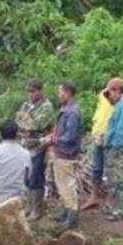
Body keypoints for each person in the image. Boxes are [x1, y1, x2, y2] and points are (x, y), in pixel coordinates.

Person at [16, 79, 56, 218]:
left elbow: (36, 125)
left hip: (39, 145)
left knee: (36, 176)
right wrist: (25, 121)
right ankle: (29, 206)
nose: (30, 94)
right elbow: (18, 120)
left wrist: (25, 121)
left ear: (40, 91)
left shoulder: (46, 107)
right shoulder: (27, 105)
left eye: (32, 91)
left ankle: (37, 209)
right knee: (26, 176)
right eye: (28, 91)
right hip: (25, 144)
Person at [49, 81, 84, 230]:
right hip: (61, 153)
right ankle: (65, 212)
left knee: (68, 185)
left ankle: (72, 217)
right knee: (61, 184)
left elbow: (70, 136)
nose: (59, 95)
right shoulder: (66, 110)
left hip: (66, 154)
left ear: (68, 93)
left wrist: (54, 139)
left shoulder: (72, 113)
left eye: (60, 92)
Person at [102, 77, 123, 220]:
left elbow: (122, 130)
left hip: (120, 149)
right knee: (114, 180)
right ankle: (117, 207)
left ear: (117, 91)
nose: (109, 97)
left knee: (119, 180)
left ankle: (122, 209)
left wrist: (114, 146)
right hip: (117, 148)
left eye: (109, 93)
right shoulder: (122, 105)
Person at [83, 83, 114, 211]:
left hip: (110, 140)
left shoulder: (118, 102)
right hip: (98, 139)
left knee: (111, 170)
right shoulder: (102, 96)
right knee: (96, 168)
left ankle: (111, 200)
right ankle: (94, 196)